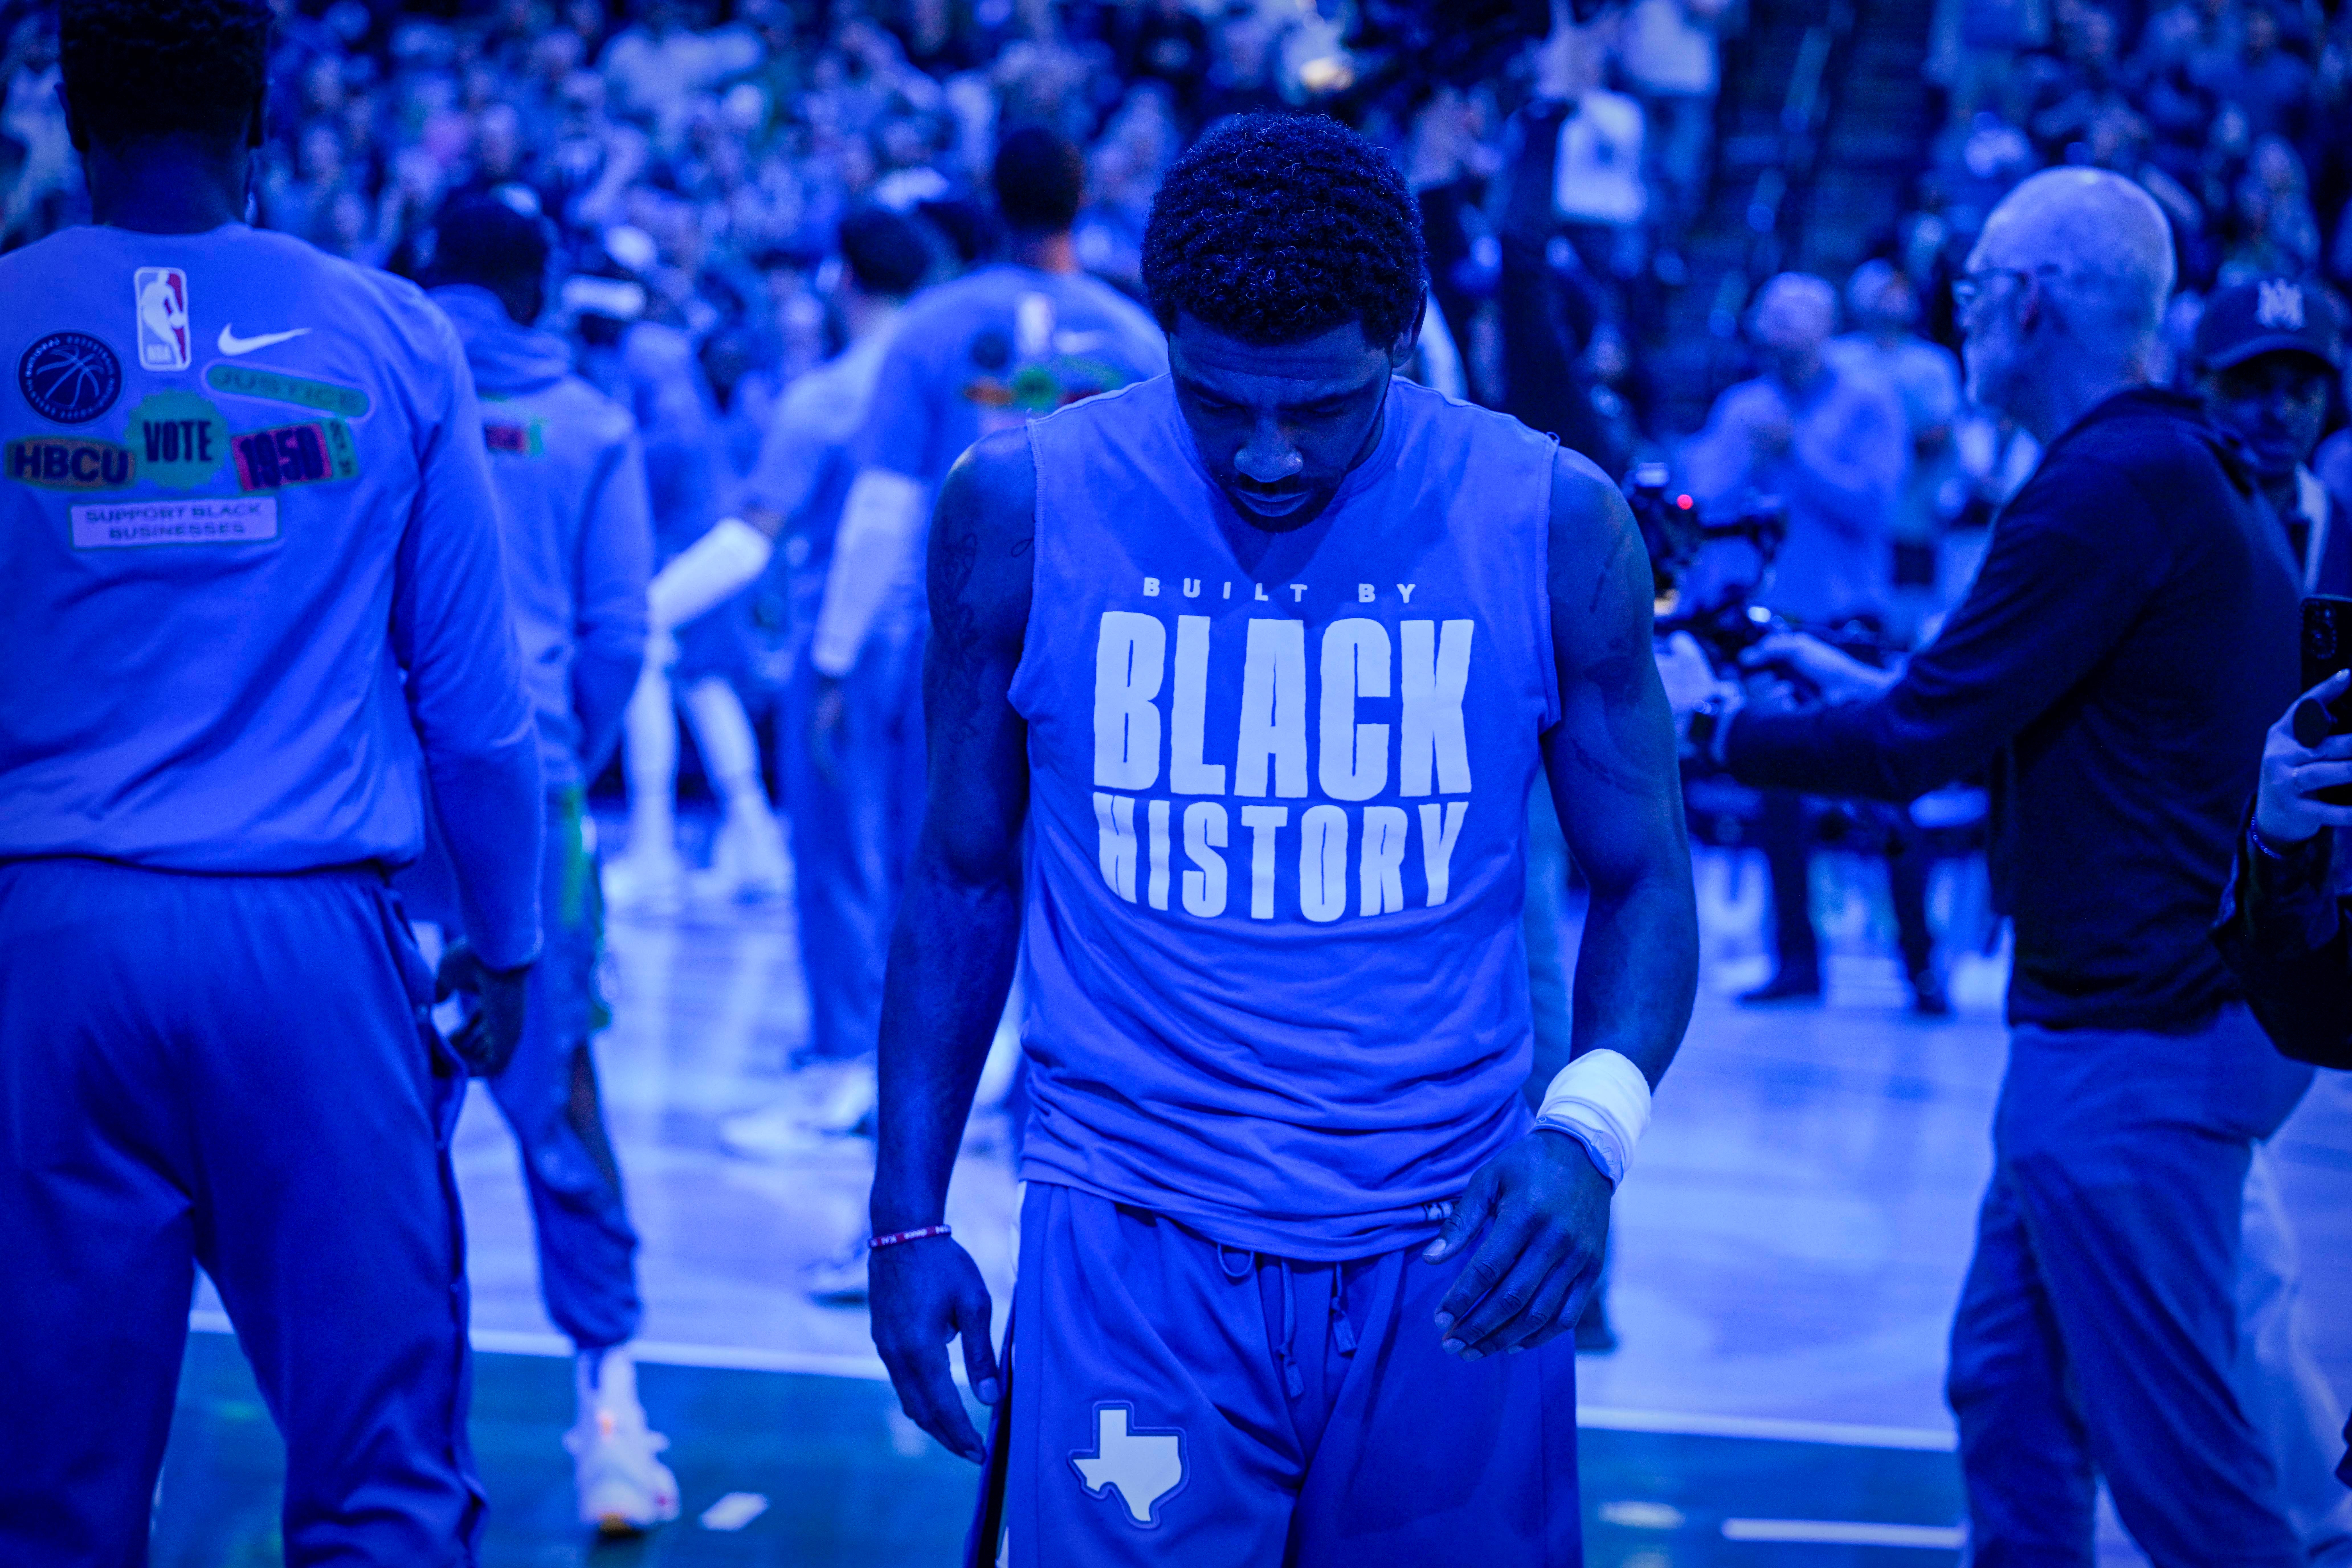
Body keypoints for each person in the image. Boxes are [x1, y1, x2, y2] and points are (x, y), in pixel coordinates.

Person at [868, 113, 1698, 1563]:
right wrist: (904, 1212)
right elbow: (960, 876)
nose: (1264, 453)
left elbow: (1644, 879)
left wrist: (1590, 1131)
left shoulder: (1555, 521)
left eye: (1320, 406)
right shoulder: (1018, 508)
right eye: (1215, 400)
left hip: (1455, 1249)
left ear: (1403, 341)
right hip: (1129, 1248)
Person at [1666, 166, 2313, 1565]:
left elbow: (1916, 745)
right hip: (2126, 1028)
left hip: (2136, 1045)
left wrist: (1709, 728)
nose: (1955, 311)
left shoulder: (2105, 485)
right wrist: (1834, 672)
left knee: (2187, 1480)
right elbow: (1997, 705)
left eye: (1971, 287)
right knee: (2009, 1393)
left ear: (2028, 302)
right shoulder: (2171, 466)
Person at [0, 1, 542, 1559]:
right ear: (261, 130)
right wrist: (505, 944)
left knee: (40, 1505)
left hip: (43, 952)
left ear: (73, 127)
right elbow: (477, 716)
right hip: (303, 950)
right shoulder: (394, 334)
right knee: (382, 1492)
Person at [416, 193, 679, 1535]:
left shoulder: (369, 388)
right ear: (538, 289)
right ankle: (611, 1424)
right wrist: (559, 747)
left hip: (368, 805)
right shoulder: (587, 423)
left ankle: (390, 1438)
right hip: (535, 801)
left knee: (370, 1123)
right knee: (559, 1100)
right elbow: (621, 632)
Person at [714, 205, 934, 1174]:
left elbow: (753, 536)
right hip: (946, 645)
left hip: (843, 649)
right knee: (925, 865)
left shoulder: (826, 398)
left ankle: (844, 1069)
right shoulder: (945, 376)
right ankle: (914, 1072)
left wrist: (645, 611)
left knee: (838, 861)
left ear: (842, 279)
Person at [1682, 272, 1932, 1010]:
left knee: (1881, 787)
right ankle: (1796, 960)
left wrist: (1798, 454)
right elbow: (1703, 502)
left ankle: (1921, 963)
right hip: (1771, 623)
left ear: (1826, 328)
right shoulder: (1743, 409)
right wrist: (1751, 457)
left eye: (1796, 319)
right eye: (1772, 320)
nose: (1781, 334)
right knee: (1777, 797)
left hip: (1848, 624)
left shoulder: (1869, 401)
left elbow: (1875, 507)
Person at [2195, 276, 2351, 595]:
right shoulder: (2163, 511)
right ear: (2198, 382)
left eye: (2303, 390)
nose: (2280, 413)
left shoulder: (2339, 530)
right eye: (2254, 385)